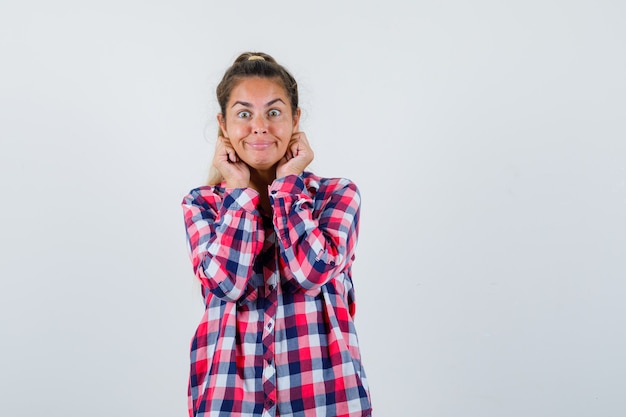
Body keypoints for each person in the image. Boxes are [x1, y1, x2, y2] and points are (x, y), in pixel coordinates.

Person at [181, 52, 372, 417]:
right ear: (223, 125)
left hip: (325, 400)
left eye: (273, 112)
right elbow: (226, 284)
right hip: (230, 403)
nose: (259, 126)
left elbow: (311, 273)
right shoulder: (202, 204)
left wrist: (287, 187)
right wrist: (238, 193)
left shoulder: (337, 196)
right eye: (243, 113)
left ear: (295, 119)